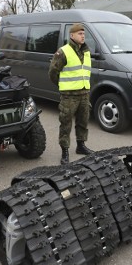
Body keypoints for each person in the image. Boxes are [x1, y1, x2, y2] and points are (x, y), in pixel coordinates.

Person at [48, 23, 94, 165]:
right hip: (69, 95)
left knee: (83, 122)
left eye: (84, 34)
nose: (83, 36)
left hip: (84, 93)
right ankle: (65, 151)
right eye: (80, 34)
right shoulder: (63, 51)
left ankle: (81, 146)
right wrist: (63, 86)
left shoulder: (86, 52)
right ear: (72, 35)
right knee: (66, 124)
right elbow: (53, 73)